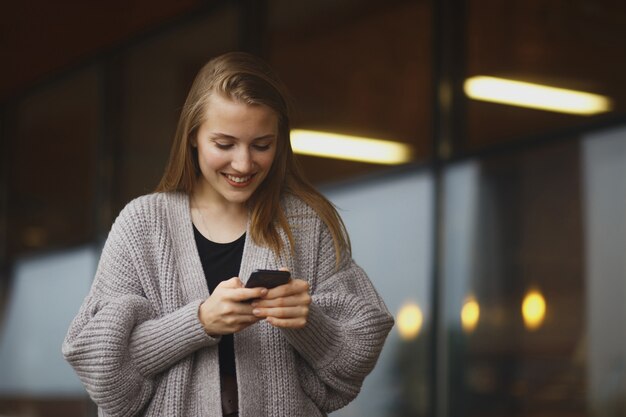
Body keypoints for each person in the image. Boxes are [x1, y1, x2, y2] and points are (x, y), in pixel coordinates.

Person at [63, 51, 394, 417]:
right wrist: (198, 322)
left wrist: (310, 324)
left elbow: (355, 356)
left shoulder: (306, 224)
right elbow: (100, 365)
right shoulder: (142, 224)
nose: (243, 164)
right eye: (224, 144)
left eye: (261, 145)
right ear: (192, 137)